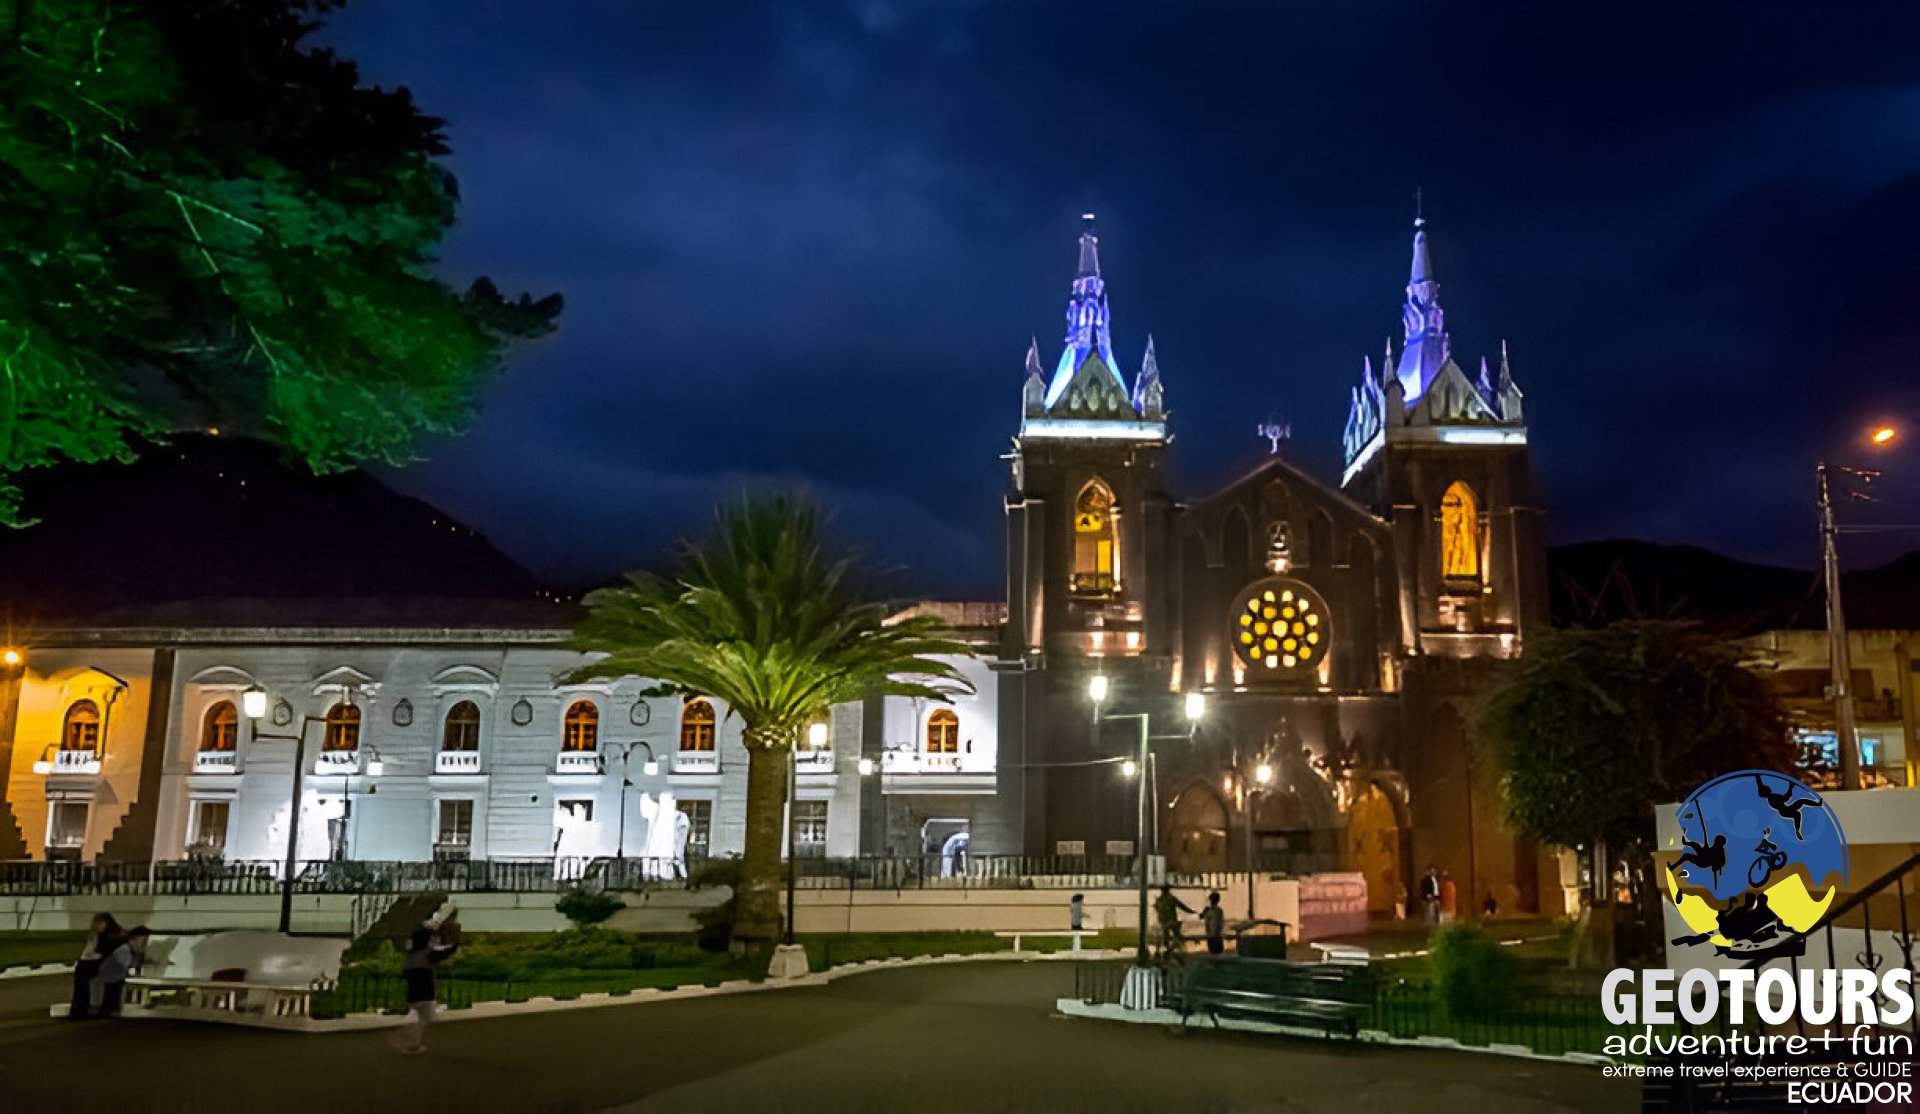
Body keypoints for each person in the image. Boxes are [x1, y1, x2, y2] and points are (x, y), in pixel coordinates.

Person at [391, 915, 460, 1054]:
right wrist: (455, 940)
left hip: (413, 989)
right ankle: (412, 1042)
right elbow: (447, 951)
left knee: (418, 1015)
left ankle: (411, 1040)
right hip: (425, 990)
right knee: (425, 1018)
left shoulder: (412, 954)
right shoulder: (428, 954)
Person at [69, 913, 122, 1021]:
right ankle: (80, 1007)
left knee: (83, 970)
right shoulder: (96, 936)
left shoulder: (114, 936)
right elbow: (88, 953)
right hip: (99, 963)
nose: (99, 926)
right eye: (97, 924)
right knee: (81, 970)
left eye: (101, 923)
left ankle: (81, 1007)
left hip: (112, 965)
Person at [93, 926, 149, 1017]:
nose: (143, 945)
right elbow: (125, 966)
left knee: (112, 994)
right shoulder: (125, 950)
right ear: (133, 939)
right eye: (142, 942)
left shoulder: (127, 949)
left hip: (112, 975)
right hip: (111, 975)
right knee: (112, 994)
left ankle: (109, 1011)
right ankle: (108, 1012)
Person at [1152, 885, 1193, 957]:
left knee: (1165, 937)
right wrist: (1191, 911)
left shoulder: (1159, 899)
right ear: (1168, 890)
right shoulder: (1171, 898)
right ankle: (1170, 951)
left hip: (1163, 922)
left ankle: (1165, 951)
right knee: (1177, 936)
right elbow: (1181, 906)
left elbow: (1156, 908)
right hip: (1172, 921)